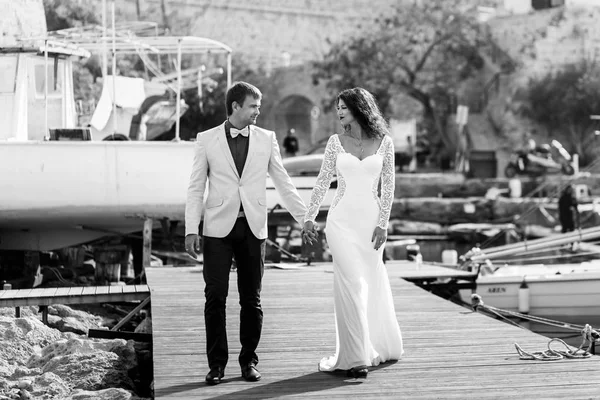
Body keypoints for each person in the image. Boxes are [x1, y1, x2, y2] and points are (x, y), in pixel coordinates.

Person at [184, 81, 312, 385]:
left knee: (251, 299)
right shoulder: (206, 139)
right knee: (215, 297)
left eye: (259, 105)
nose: (258, 111)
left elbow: (283, 182)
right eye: (253, 106)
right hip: (217, 229)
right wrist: (192, 228)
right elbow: (195, 186)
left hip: (253, 229)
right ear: (235, 107)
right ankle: (216, 365)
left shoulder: (267, 139)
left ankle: (248, 362)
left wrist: (304, 217)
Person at [302, 87, 403, 379]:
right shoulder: (335, 142)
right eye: (337, 108)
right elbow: (322, 182)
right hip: (341, 222)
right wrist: (310, 217)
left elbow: (389, 187)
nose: (339, 112)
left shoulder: (385, 143)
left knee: (370, 283)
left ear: (359, 107)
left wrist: (383, 223)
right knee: (351, 285)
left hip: (371, 224)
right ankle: (355, 358)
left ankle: (375, 344)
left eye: (343, 106)